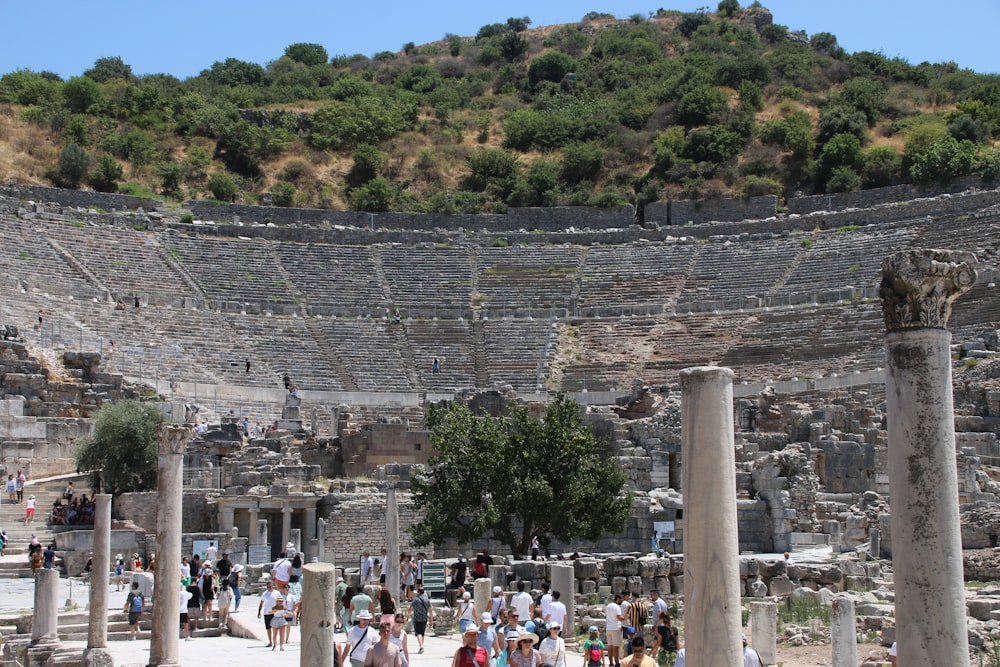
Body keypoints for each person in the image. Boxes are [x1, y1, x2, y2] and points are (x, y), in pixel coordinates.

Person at [410, 584, 433, 654]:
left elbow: (410, 608)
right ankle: (422, 645)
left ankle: (421, 646)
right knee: (422, 633)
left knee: (418, 633)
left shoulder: (416, 599)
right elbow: (430, 610)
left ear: (418, 592)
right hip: (424, 618)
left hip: (417, 618)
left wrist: (407, 616)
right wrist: (431, 620)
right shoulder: (427, 600)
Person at [258, 580, 281, 648]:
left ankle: (275, 641)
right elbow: (261, 603)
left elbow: (280, 601)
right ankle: (270, 641)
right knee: (268, 628)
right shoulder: (264, 594)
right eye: (268, 587)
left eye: (270, 586)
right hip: (267, 613)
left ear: (272, 585)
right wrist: (259, 612)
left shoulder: (277, 593)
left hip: (275, 613)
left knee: (275, 627)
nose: (269, 588)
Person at [605, 593, 626, 667]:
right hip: (615, 628)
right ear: (617, 599)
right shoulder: (617, 607)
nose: (621, 601)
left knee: (610, 646)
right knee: (616, 647)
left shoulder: (608, 606)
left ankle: (611, 663)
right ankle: (617, 663)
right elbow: (619, 617)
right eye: (620, 599)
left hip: (608, 628)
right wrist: (626, 618)